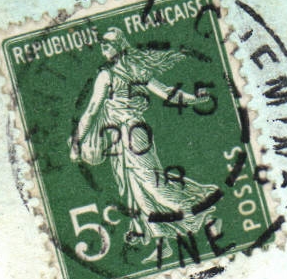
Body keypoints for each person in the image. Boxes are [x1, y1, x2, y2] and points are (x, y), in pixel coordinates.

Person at [69, 28, 216, 248]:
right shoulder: (133, 70)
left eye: (108, 43)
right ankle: (152, 235)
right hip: (124, 135)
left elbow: (91, 111)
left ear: (119, 45)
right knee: (132, 186)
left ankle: (197, 210)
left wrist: (76, 141)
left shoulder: (108, 75)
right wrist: (193, 99)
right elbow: (167, 93)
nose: (104, 47)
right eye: (102, 43)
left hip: (130, 133)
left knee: (151, 183)